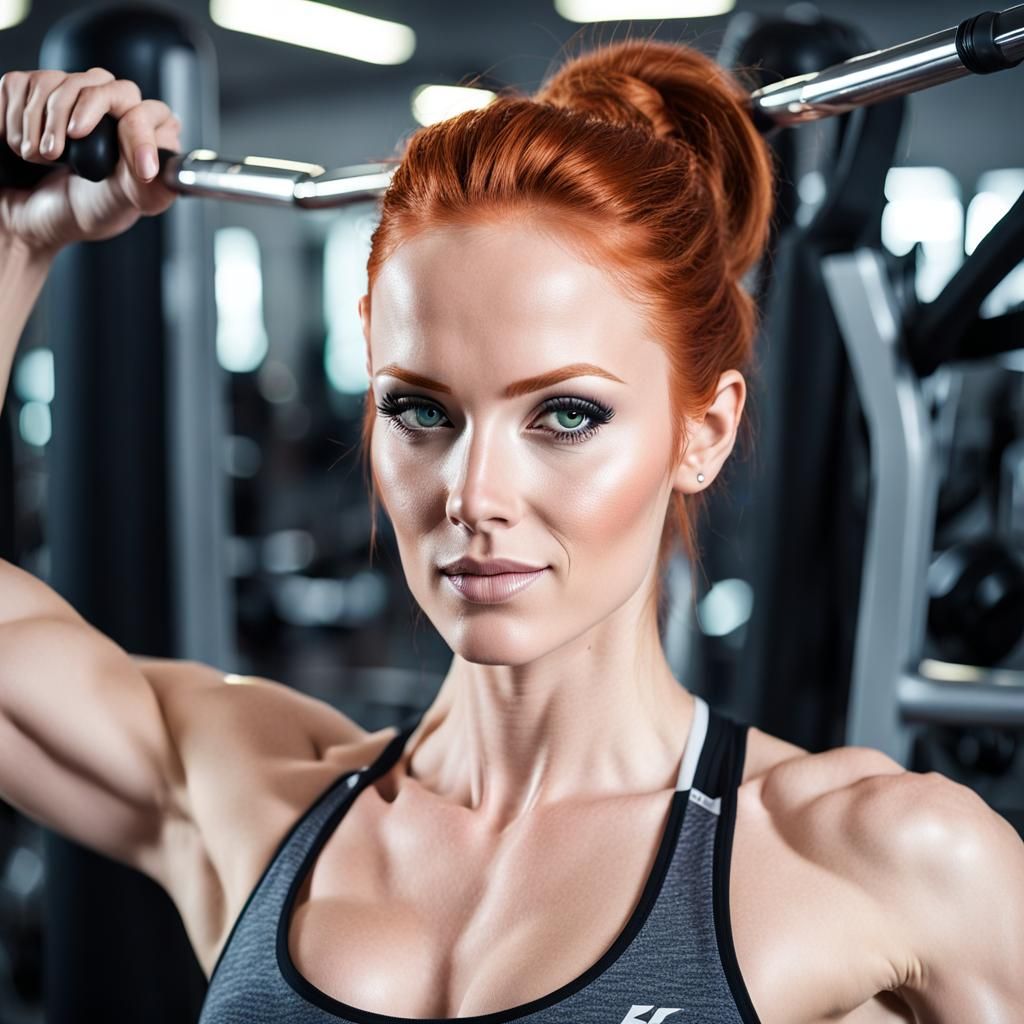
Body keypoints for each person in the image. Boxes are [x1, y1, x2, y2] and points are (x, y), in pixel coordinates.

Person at [1, 41, 1023, 1024]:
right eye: (421, 410)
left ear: (701, 433)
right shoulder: (257, 796)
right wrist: (13, 238)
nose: (473, 493)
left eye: (565, 414)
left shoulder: (884, 862)